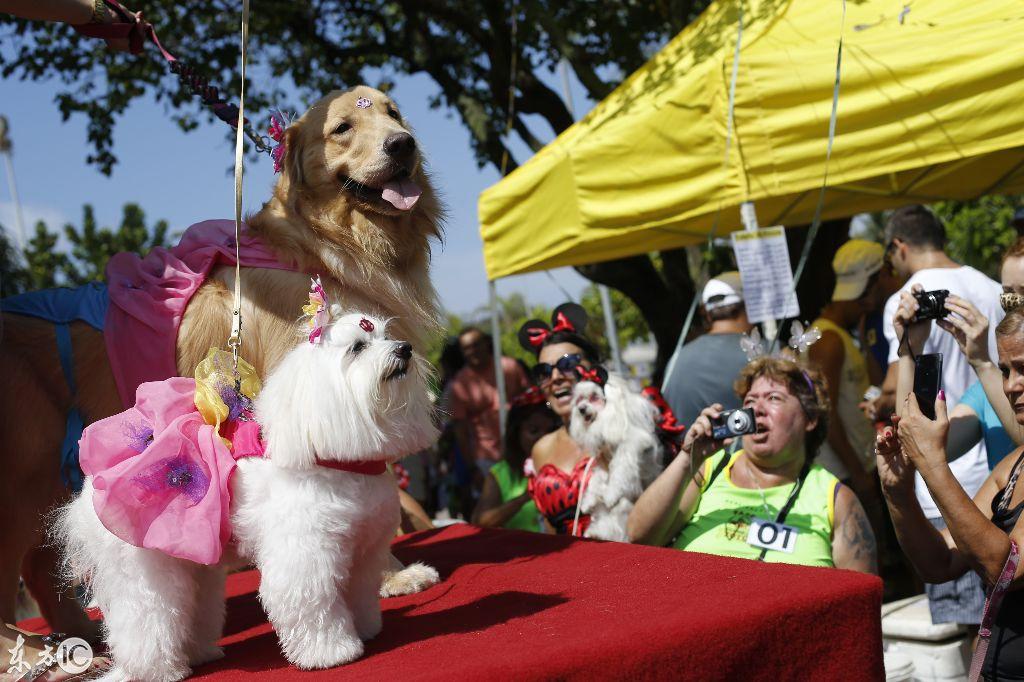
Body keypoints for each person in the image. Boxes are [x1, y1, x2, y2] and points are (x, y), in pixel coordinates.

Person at [879, 297, 1024, 679]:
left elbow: (1006, 567)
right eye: (1006, 371)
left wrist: (933, 465)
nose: (1011, 386)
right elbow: (938, 562)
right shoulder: (1013, 465)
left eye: (1023, 370)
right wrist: (899, 493)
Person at [628, 356, 876, 573]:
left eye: (774, 398)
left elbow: (861, 600)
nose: (757, 409)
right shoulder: (710, 470)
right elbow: (639, 536)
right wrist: (688, 458)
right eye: (749, 401)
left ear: (810, 418)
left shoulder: (835, 498)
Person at [878, 205, 1004, 630]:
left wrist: (985, 362)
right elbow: (917, 434)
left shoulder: (905, 297)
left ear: (898, 247)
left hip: (952, 488)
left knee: (969, 626)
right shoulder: (990, 287)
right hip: (976, 478)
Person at [518, 303, 603, 536]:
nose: (555, 377)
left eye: (567, 363)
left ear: (594, 369)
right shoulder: (541, 450)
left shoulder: (622, 430)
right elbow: (550, 532)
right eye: (544, 371)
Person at [809, 239, 883, 491]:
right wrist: (856, 470)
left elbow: (873, 385)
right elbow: (825, 411)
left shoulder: (843, 334)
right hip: (842, 473)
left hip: (858, 464)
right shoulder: (828, 340)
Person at [663, 272, 753, 427]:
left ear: (707, 314)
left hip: (691, 450)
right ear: (749, 305)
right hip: (752, 451)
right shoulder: (767, 352)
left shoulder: (676, 359)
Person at [447, 327, 530, 495]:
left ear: (486, 343)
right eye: (467, 348)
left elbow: (530, 403)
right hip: (486, 458)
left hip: (520, 449)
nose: (473, 351)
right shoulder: (459, 384)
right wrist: (472, 468)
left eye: (476, 345)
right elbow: (460, 431)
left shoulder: (509, 367)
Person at [472, 387, 559, 531]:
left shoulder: (569, 464)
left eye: (550, 431)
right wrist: (525, 497)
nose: (543, 437)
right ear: (516, 433)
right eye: (533, 431)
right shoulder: (501, 473)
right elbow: (480, 521)